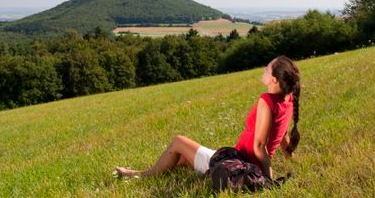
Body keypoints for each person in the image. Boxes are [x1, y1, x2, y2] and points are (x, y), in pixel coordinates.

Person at [115, 56, 301, 180]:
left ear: (274, 80)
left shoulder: (266, 101)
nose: (264, 69)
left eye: (268, 68)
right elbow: (282, 134)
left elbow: (259, 146)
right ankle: (154, 172)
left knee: (178, 142)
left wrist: (267, 178)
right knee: (181, 159)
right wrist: (290, 158)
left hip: (238, 165)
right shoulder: (288, 100)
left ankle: (140, 175)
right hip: (240, 159)